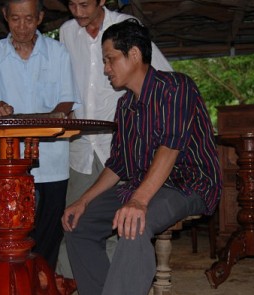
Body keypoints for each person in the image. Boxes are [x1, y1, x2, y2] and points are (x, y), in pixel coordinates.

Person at [62, 19, 222, 295]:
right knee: (79, 224)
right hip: (143, 185)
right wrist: (83, 200)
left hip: (187, 184)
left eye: (110, 59)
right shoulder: (125, 106)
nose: (105, 69)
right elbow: (119, 165)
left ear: (134, 54)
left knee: (135, 222)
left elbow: (170, 148)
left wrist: (138, 200)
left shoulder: (176, 87)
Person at [56, 0, 173, 278]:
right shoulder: (66, 32)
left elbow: (163, 78)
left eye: (84, 4)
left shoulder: (127, 29)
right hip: (82, 148)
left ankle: (113, 285)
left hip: (122, 147)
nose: (78, 12)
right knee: (74, 221)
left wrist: (147, 124)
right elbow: (67, 83)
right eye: (71, 4)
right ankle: (79, 285)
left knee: (117, 229)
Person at [0, 0, 80, 269]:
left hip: (52, 158)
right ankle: (2, 279)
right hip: (8, 159)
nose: (22, 27)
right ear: (5, 17)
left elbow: (67, 100)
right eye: (15, 19)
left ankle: (40, 280)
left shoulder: (57, 53)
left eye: (29, 19)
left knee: (48, 230)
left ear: (41, 18)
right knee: (3, 225)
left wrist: (52, 117)